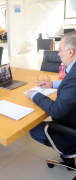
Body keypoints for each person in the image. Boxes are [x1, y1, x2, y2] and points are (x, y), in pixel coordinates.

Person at [26, 31, 76, 165]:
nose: (58, 54)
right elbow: (70, 83)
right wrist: (53, 84)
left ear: (70, 52)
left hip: (71, 132)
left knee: (33, 129)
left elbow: (56, 111)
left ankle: (66, 151)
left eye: (60, 50)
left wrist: (35, 95)